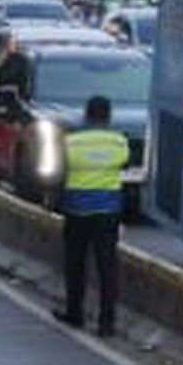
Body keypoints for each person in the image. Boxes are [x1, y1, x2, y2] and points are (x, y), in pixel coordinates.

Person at [54, 96, 129, 337]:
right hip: (108, 210)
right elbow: (124, 163)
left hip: (77, 209)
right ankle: (107, 323)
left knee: (75, 264)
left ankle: (74, 312)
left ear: (86, 115)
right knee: (107, 267)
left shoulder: (71, 142)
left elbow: (59, 170)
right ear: (108, 116)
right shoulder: (119, 142)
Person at [0, 32, 32, 99]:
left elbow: (24, 81)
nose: (11, 45)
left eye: (12, 43)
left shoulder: (20, 60)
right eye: (8, 43)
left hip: (15, 98)